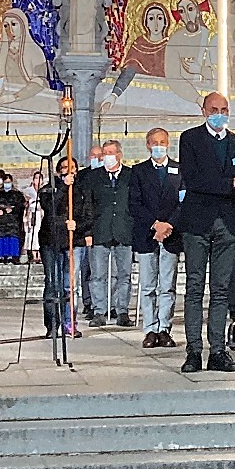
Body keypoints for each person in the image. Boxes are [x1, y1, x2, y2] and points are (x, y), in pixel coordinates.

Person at [177, 91, 235, 373]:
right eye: (214, 109)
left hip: (227, 221)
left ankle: (218, 350)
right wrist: (231, 183)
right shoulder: (190, 139)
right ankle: (193, 351)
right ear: (204, 111)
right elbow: (194, 180)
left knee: (221, 290)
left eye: (224, 110)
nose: (219, 114)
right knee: (195, 287)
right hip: (198, 221)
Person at [129, 127, 184, 349]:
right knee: (148, 286)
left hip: (171, 234)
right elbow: (134, 203)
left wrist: (168, 224)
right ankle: (150, 329)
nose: (158, 146)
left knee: (167, 286)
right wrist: (155, 224)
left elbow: (183, 202)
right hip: (147, 234)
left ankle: (164, 329)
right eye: (154, 142)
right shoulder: (138, 171)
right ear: (148, 145)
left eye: (162, 142)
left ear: (168, 144)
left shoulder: (179, 170)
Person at [83, 139, 134, 328]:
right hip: (100, 231)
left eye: (110, 153)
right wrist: (88, 231)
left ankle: (122, 311)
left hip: (124, 230)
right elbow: (88, 205)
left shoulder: (130, 175)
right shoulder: (94, 177)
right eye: (105, 154)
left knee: (124, 275)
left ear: (119, 155)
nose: (107, 157)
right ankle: (99, 311)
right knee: (98, 275)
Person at [39, 157, 87, 338]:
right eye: (65, 167)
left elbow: (88, 213)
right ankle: (52, 324)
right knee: (53, 283)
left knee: (70, 286)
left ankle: (69, 323)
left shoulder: (81, 189)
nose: (69, 170)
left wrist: (78, 226)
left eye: (72, 167)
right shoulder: (49, 188)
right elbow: (50, 207)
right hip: (52, 240)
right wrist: (63, 187)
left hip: (73, 241)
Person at [75, 144, 104, 319]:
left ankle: (105, 304)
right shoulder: (83, 176)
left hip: (103, 227)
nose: (97, 159)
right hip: (86, 229)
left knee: (102, 271)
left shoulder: (107, 175)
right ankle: (89, 302)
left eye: (100, 156)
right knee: (87, 270)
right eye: (94, 156)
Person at [0, 173, 25, 263]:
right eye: (5, 182)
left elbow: (21, 205)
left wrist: (13, 210)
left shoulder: (17, 194)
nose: (7, 184)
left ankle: (12, 256)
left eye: (9, 182)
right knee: (0, 237)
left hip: (12, 220)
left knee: (12, 237)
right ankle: (0, 256)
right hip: (0, 220)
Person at [23, 171, 44, 263]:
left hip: (41, 214)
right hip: (31, 214)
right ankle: (33, 255)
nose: (38, 180)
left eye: (40, 178)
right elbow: (25, 203)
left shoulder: (44, 190)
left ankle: (40, 254)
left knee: (40, 232)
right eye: (36, 178)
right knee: (31, 233)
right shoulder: (28, 191)